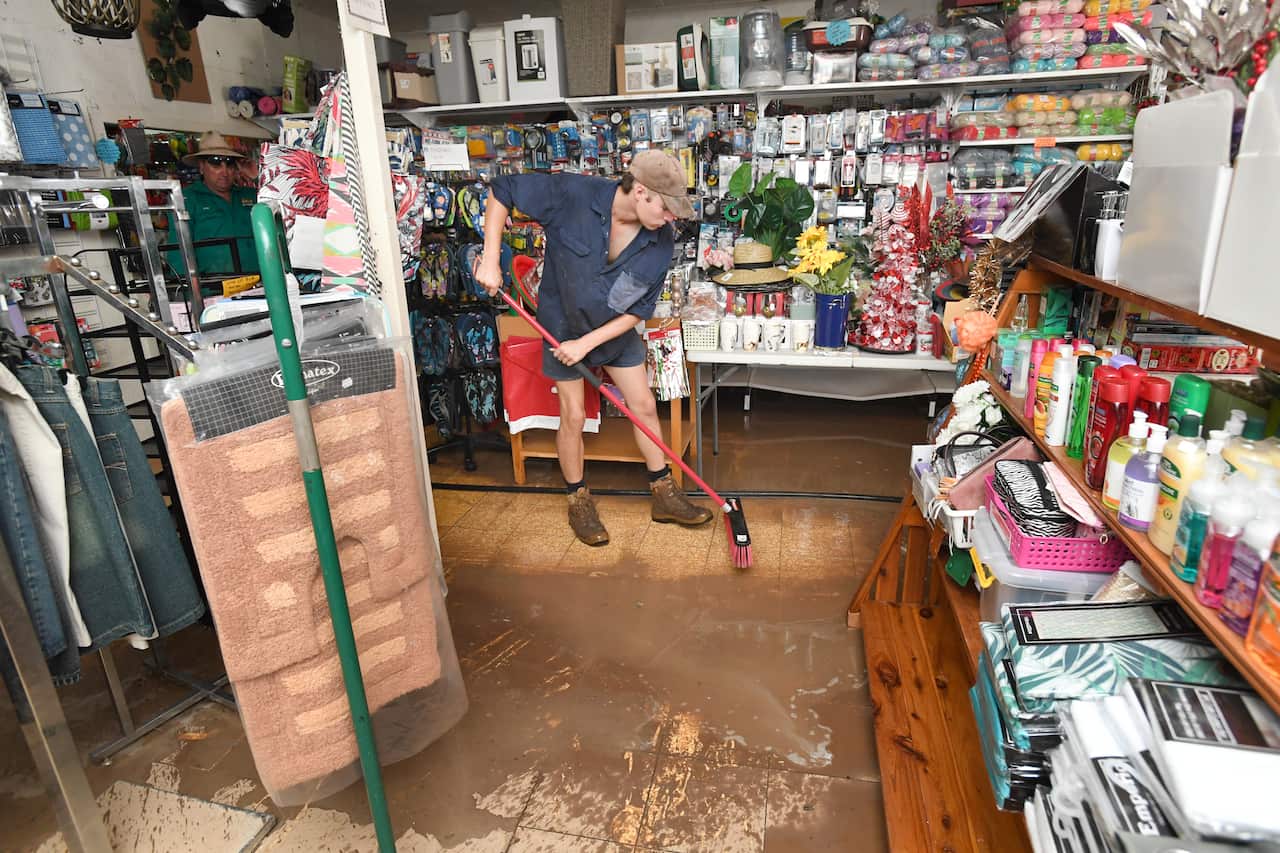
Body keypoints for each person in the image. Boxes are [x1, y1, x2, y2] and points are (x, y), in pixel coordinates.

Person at [475, 151, 713, 546]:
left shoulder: (660, 241)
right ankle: (578, 500)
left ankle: (663, 493)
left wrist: (586, 344)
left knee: (644, 406)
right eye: (667, 209)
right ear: (640, 192)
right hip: (561, 327)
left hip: (611, 335)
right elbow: (503, 190)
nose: (673, 218)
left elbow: (637, 310)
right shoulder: (572, 192)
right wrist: (491, 261)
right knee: (572, 415)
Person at [164, 131, 259, 276]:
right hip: (213, 291)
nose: (224, 171)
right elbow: (178, 251)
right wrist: (189, 290)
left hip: (259, 285)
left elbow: (283, 213)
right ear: (201, 167)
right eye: (215, 164)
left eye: (229, 164)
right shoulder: (186, 199)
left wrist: (256, 176)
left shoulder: (253, 195)